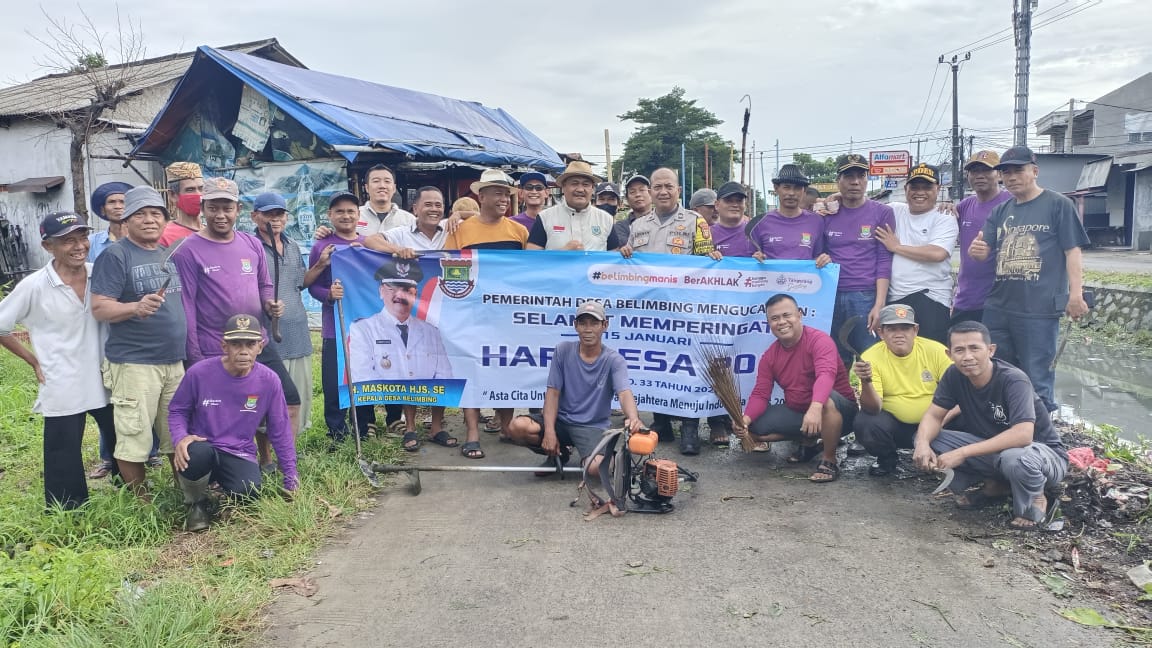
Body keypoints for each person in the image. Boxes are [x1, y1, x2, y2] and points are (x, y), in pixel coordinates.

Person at [170, 176, 300, 472]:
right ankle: (231, 465)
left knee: (288, 399)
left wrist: (270, 304)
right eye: (213, 208)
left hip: (256, 341)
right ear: (203, 208)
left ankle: (278, 462)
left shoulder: (251, 243)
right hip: (216, 345)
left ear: (238, 209)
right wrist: (194, 356)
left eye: (227, 208)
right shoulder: (188, 250)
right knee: (228, 408)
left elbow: (264, 285)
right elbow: (187, 303)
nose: (220, 215)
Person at [0, 211, 115, 509]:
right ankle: (70, 509)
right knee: (62, 450)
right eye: (68, 241)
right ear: (48, 246)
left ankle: (132, 493)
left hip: (108, 374)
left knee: (124, 439)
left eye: (82, 238)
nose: (79, 246)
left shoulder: (99, 273)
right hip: (63, 379)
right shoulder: (35, 285)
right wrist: (32, 360)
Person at [913, 321, 1068, 530]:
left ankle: (1036, 498)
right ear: (949, 354)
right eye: (959, 350)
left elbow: (1023, 435)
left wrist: (963, 452)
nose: (967, 356)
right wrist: (922, 444)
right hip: (996, 452)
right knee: (930, 438)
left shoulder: (1014, 380)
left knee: (1015, 457)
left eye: (974, 348)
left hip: (1042, 456)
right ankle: (998, 485)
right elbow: (933, 415)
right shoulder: (954, 375)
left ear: (990, 350)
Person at [969, 146, 1090, 413]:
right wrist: (976, 251)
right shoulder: (1001, 211)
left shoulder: (1058, 204)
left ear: (1034, 171)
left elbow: (1073, 251)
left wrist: (1075, 294)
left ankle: (1041, 433)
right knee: (997, 368)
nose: (1011, 177)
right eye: (1006, 172)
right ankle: (1004, 422)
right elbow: (981, 251)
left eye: (1018, 170)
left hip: (1040, 307)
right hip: (999, 306)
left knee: (1037, 374)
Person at [90, 187, 187, 497]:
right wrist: (135, 307)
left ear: (165, 219)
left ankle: (183, 492)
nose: (149, 220)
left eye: (156, 214)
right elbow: (100, 307)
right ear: (126, 220)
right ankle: (140, 502)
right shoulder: (116, 255)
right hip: (134, 362)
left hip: (173, 361)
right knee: (134, 436)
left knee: (176, 433)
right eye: (140, 214)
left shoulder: (167, 253)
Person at [619, 167, 720, 455]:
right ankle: (661, 422)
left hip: (685, 311)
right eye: (657, 186)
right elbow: (631, 263)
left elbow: (706, 264)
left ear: (678, 190)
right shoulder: (638, 225)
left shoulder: (695, 221)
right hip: (650, 314)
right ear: (650, 191)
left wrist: (713, 258)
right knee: (655, 366)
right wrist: (624, 254)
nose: (663, 191)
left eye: (668, 186)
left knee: (687, 369)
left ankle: (690, 429)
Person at [169, 313, 298, 532]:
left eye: (250, 344)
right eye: (236, 344)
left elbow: (280, 430)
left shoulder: (269, 380)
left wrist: (291, 477)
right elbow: (177, 410)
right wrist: (180, 437)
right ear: (223, 346)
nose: (243, 350)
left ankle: (223, 493)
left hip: (239, 451)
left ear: (261, 346)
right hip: (203, 445)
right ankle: (196, 504)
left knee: (249, 492)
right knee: (196, 453)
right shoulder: (199, 373)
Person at [505, 301, 643, 480]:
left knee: (596, 470)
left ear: (604, 326)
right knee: (517, 427)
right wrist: (549, 432)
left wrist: (633, 418)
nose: (588, 329)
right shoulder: (563, 351)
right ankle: (558, 454)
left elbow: (624, 393)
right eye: (583, 323)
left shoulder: (614, 360)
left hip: (592, 426)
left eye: (594, 323)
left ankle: (608, 458)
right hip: (561, 421)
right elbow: (552, 393)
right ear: (575, 325)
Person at [444, 169, 528, 458]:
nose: (504, 198)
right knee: (472, 369)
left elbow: (531, 272)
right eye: (497, 192)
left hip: (508, 315)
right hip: (473, 313)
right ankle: (472, 433)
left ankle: (506, 426)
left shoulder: (519, 231)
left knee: (505, 368)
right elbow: (449, 270)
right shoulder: (460, 230)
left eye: (506, 193)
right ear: (480, 196)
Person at [733, 294, 858, 483]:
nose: (781, 322)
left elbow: (826, 375)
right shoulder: (770, 356)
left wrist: (815, 407)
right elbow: (760, 393)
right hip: (801, 411)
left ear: (799, 315)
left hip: (840, 411)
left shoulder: (820, 341)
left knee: (826, 401)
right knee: (754, 428)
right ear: (769, 323)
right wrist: (745, 420)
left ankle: (829, 459)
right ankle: (809, 441)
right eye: (774, 318)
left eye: (786, 315)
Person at [348, 258, 454, 451]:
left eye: (406, 290)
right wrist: (398, 386)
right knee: (408, 373)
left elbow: (444, 374)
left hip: (427, 392)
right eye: (392, 289)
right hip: (389, 391)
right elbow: (362, 375)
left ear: (415, 294)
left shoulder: (430, 330)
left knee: (436, 377)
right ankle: (409, 428)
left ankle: (436, 428)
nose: (399, 295)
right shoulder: (363, 328)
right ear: (381, 291)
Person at [852, 304, 952, 477]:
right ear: (881, 332)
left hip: (939, 421)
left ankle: (953, 462)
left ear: (915, 330)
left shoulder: (937, 351)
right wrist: (865, 381)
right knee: (866, 422)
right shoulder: (870, 357)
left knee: (968, 415)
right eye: (891, 329)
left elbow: (959, 395)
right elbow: (873, 408)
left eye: (905, 328)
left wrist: (935, 424)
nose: (899, 334)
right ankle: (887, 458)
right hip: (897, 426)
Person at [305, 190, 373, 442]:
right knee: (334, 382)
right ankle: (336, 431)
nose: (346, 216)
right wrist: (328, 294)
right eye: (340, 211)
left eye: (350, 211)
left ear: (358, 215)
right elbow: (312, 285)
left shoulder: (367, 244)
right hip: (335, 326)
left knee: (363, 376)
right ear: (330, 215)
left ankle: (364, 427)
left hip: (365, 326)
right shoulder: (322, 246)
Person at [820, 153, 896, 367]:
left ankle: (873, 401)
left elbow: (884, 259)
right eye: (848, 176)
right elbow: (817, 252)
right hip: (830, 295)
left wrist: (879, 304)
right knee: (834, 360)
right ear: (838, 180)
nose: (855, 182)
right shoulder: (827, 212)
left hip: (866, 296)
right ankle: (842, 401)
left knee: (871, 359)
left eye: (860, 176)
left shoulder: (882, 212)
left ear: (866, 179)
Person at [874, 163, 958, 345]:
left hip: (930, 298)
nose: (920, 192)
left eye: (927, 187)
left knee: (931, 358)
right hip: (895, 298)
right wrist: (837, 197)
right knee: (898, 357)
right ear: (905, 189)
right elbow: (862, 206)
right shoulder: (894, 209)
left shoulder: (944, 216)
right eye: (914, 187)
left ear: (938, 188)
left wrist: (896, 247)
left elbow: (937, 253)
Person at [252, 192, 314, 436]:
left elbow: (300, 281)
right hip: (267, 336)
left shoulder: (292, 246)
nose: (275, 219)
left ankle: (290, 452)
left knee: (298, 396)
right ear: (255, 216)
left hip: (297, 332)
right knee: (267, 397)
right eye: (268, 214)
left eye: (279, 214)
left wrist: (320, 265)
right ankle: (266, 452)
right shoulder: (250, 246)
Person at [953, 151, 1013, 324]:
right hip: (966, 299)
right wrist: (946, 206)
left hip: (999, 301)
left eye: (986, 170)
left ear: (999, 174)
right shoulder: (965, 205)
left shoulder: (1011, 203)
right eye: (974, 171)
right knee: (962, 349)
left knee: (994, 350)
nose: (980, 176)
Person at [527, 160, 620, 251]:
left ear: (592, 189)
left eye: (586, 184)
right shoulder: (545, 217)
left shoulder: (605, 219)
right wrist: (563, 253)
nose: (580, 189)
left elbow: (614, 260)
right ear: (563, 187)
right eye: (574, 183)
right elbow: (532, 259)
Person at [747, 165, 826, 261]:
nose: (791, 193)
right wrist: (756, 257)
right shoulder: (759, 223)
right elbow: (750, 260)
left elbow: (819, 256)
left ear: (804, 191)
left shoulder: (816, 221)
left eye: (797, 188)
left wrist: (824, 259)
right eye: (786, 187)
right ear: (776, 188)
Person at [365, 186, 448, 257]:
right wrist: (399, 250)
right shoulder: (402, 233)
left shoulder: (450, 228)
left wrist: (458, 214)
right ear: (415, 209)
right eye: (428, 205)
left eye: (438, 205)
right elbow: (371, 240)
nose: (434, 209)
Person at [357, 164, 416, 236]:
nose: (382, 186)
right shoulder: (354, 217)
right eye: (376, 181)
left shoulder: (408, 220)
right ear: (367, 188)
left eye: (387, 181)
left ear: (394, 188)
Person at [158, 162, 205, 247]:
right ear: (172, 195)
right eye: (190, 190)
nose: (198, 195)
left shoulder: (213, 230)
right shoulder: (164, 237)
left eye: (201, 189)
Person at [87, 181, 132, 261]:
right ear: (102, 210)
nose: (117, 207)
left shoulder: (143, 239)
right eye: (111, 202)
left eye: (123, 202)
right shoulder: (91, 242)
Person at [611, 175, 652, 245]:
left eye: (642, 190)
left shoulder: (664, 221)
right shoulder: (620, 227)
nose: (638, 194)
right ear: (627, 199)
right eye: (632, 192)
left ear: (651, 194)